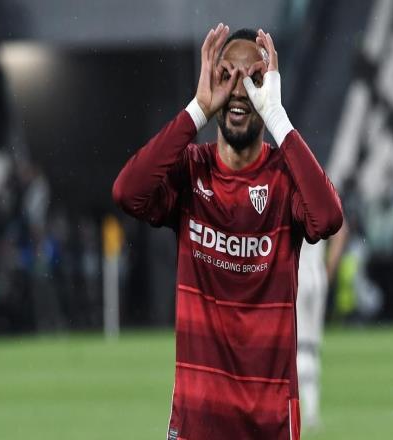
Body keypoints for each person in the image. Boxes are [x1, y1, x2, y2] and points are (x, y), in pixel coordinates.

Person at [113, 24, 342, 440]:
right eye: (227, 75)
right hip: (197, 422)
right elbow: (127, 192)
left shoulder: (284, 178)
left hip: (270, 425)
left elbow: (327, 218)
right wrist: (197, 109)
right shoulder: (191, 171)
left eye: (253, 78)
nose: (239, 89)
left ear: (269, 88)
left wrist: (278, 118)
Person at [296, 222, 348, 429]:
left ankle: (303, 409)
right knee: (312, 345)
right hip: (318, 274)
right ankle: (312, 410)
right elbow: (341, 232)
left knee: (300, 344)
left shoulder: (290, 204)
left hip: (298, 273)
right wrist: (329, 268)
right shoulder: (319, 205)